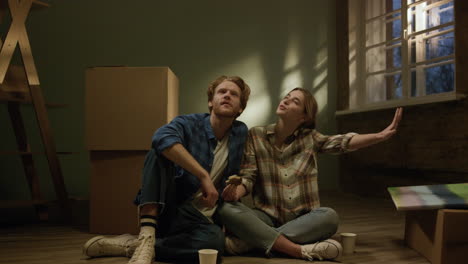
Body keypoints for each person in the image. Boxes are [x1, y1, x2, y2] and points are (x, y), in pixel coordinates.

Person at [219, 88, 403, 261]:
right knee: (226, 209)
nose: (286, 100)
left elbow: (343, 142)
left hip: (303, 219)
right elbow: (248, 176)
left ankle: (251, 242)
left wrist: (379, 136)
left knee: (329, 217)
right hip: (266, 216)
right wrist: (238, 192)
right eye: (287, 97)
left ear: (303, 117)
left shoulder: (311, 138)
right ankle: (296, 249)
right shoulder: (256, 135)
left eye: (295, 101)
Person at [82, 75, 251, 264]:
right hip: (171, 207)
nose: (227, 96)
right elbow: (161, 137)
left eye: (234, 94)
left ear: (240, 108)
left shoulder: (240, 133)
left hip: (200, 218)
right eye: (222, 92)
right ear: (211, 102)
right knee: (158, 152)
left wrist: (236, 189)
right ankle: (146, 236)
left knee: (214, 245)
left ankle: (133, 245)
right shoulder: (190, 123)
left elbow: (248, 172)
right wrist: (203, 175)